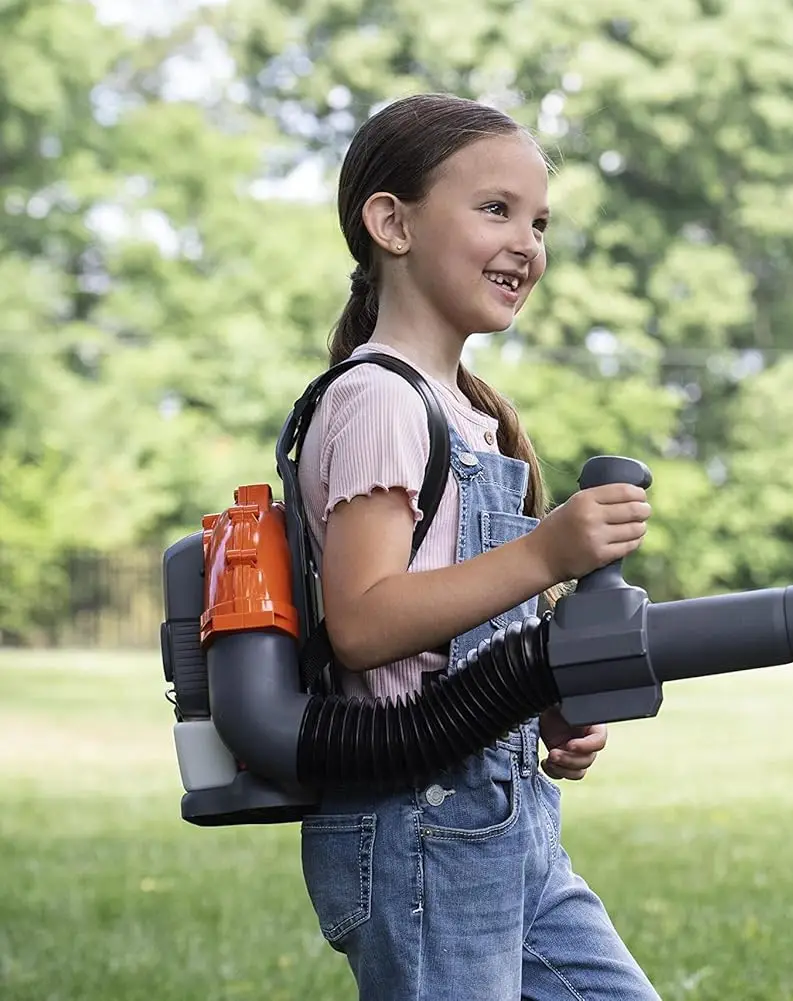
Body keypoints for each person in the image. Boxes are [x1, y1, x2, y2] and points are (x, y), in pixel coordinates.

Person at [293, 92, 661, 1000]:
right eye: (495, 209)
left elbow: (465, 637)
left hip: (508, 817)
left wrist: (543, 707)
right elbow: (366, 624)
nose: (528, 243)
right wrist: (546, 555)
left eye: (539, 221)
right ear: (392, 222)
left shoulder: (476, 416)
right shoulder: (378, 399)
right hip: (417, 825)